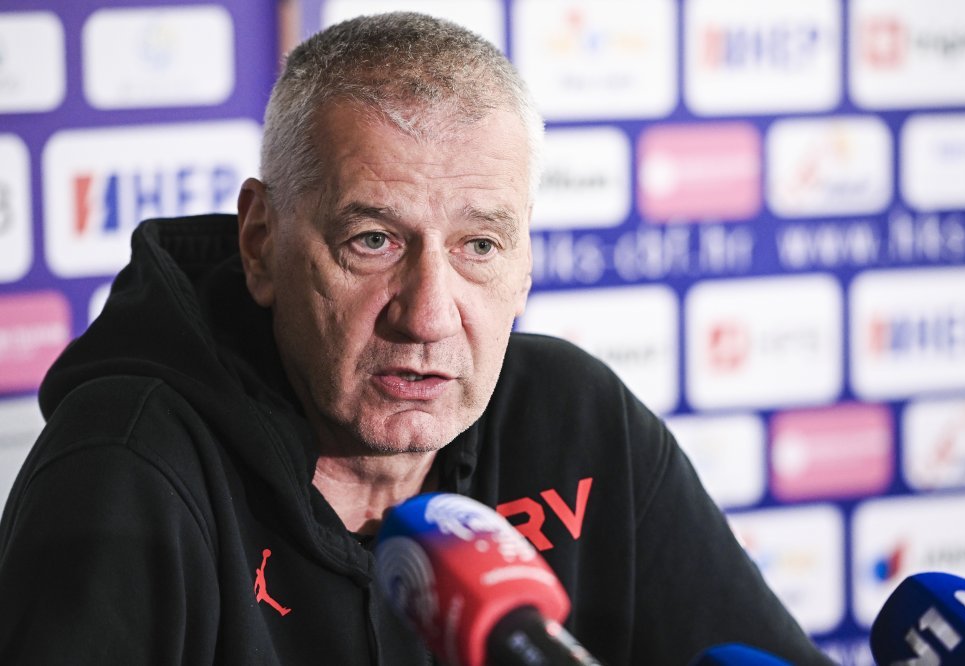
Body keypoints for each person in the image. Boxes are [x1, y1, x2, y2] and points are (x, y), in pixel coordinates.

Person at [0, 12, 833, 665]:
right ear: (260, 241)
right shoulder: (126, 469)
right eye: (373, 241)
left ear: (526, 261)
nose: (429, 316)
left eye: (480, 246)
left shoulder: (579, 422)